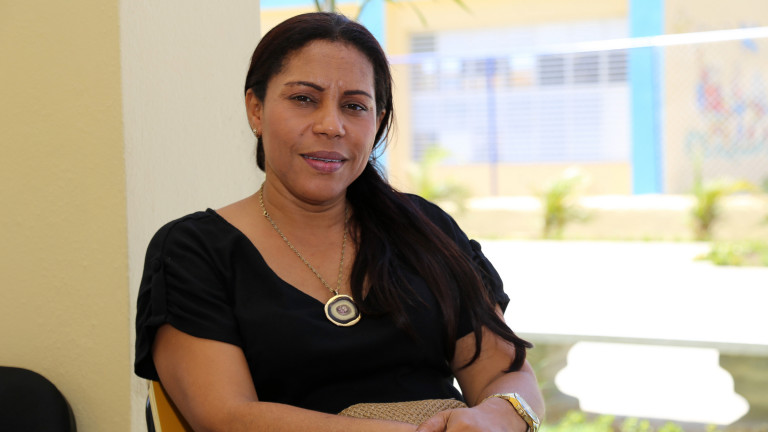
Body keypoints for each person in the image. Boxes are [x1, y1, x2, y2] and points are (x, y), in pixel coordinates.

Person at [135, 11, 543, 432]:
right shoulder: (194, 251)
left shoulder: (426, 230)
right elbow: (226, 416)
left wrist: (496, 418)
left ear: (377, 123)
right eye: (304, 99)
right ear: (256, 109)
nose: (331, 126)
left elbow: (504, 373)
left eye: (354, 106)